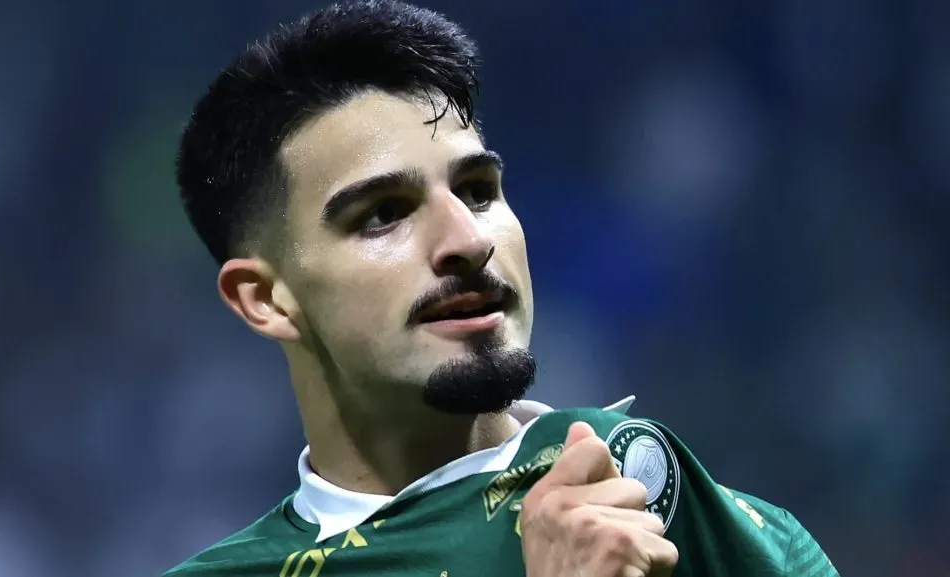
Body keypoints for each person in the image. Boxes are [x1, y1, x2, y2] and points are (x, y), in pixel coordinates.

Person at [164, 1, 839, 575]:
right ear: (265, 298)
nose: (467, 239)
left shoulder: (649, 494)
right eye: (383, 213)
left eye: (478, 191)